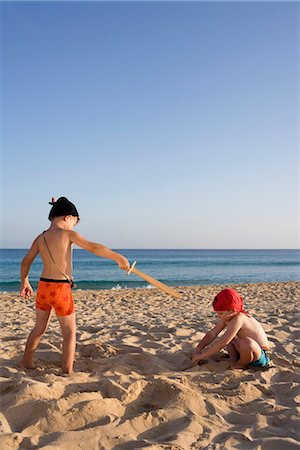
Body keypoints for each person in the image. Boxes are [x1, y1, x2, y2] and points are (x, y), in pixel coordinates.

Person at [19, 197, 130, 374]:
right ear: (67, 217)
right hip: (61, 289)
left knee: (39, 328)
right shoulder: (68, 234)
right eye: (74, 223)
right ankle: (67, 369)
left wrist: (25, 281)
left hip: (43, 288)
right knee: (69, 331)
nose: (74, 227)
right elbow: (93, 247)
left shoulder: (40, 238)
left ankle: (26, 362)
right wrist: (117, 257)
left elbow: (26, 262)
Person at [192, 288, 270, 370]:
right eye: (217, 313)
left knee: (246, 342)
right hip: (244, 351)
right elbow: (212, 333)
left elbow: (223, 342)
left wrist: (203, 355)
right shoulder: (227, 317)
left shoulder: (239, 318)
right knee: (231, 337)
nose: (218, 316)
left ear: (232, 310)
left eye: (221, 313)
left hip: (259, 356)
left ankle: (241, 364)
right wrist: (199, 349)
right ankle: (233, 359)